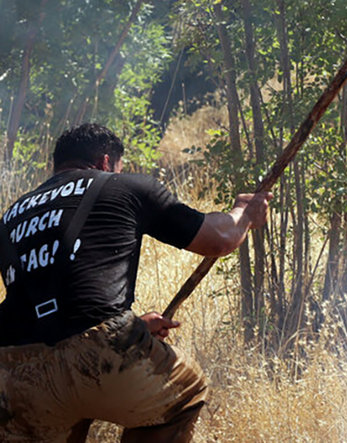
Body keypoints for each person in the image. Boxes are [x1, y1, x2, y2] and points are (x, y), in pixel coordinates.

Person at [0, 123, 271, 441]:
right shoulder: (125, 187)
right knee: (185, 393)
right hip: (98, 354)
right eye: (116, 167)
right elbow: (219, 240)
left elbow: (53, 305)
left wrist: (136, 326)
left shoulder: (13, 215)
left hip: (15, 370)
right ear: (104, 162)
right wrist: (244, 214)